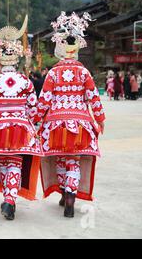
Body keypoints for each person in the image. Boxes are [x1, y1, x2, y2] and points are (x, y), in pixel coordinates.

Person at [34, 12, 105, 218]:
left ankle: (65, 193)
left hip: (56, 124)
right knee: (73, 160)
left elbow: (44, 100)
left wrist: (35, 120)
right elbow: (93, 97)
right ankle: (70, 196)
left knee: (60, 159)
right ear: (77, 50)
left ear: (61, 48)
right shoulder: (84, 73)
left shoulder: (53, 73)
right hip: (81, 123)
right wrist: (99, 119)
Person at [0, 16, 43, 220]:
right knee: (15, 162)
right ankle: (10, 199)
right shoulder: (26, 81)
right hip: (20, 127)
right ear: (17, 57)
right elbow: (33, 110)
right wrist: (33, 121)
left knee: (4, 162)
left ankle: (8, 198)